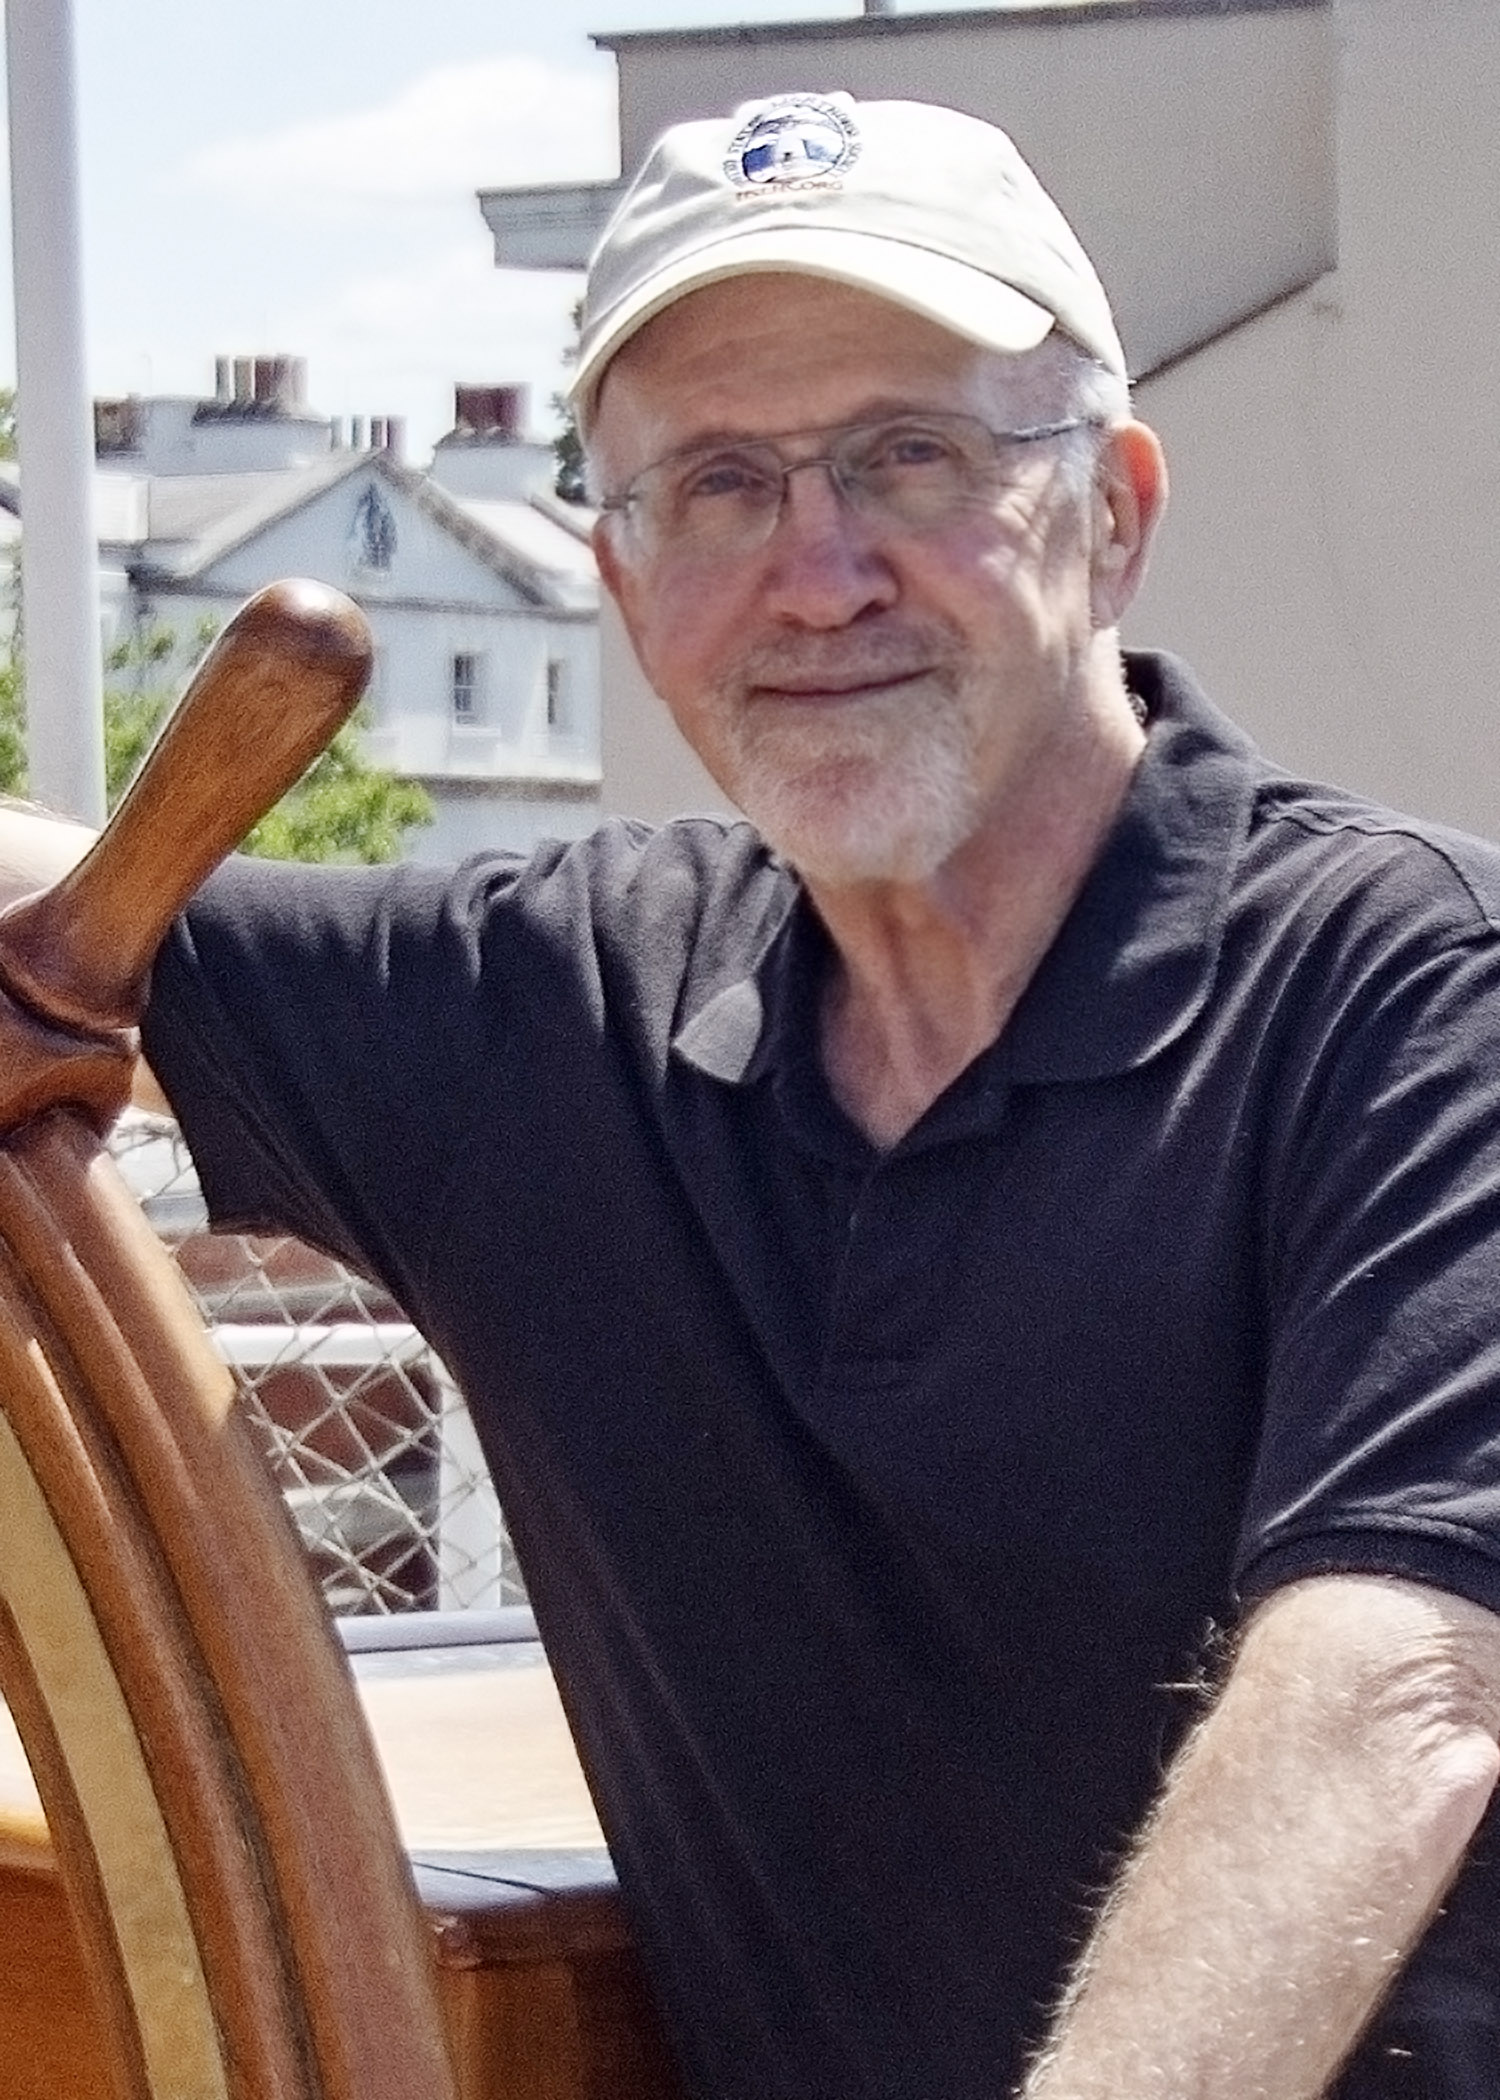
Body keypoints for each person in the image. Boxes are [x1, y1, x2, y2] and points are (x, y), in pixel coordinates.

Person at [13, 89, 1500, 2098]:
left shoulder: (1410, 995)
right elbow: (61, 915)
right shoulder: (551, 1013)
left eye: (912, 457)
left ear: (1118, 511)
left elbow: (1382, 1709)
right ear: (623, 590)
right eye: (715, 486)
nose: (817, 576)